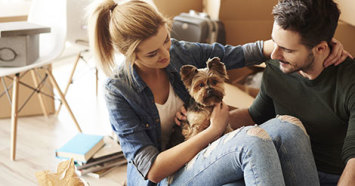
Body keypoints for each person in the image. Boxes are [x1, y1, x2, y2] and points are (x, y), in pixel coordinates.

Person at [87, 0, 347, 185]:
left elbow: (242, 53)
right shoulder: (118, 91)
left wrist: (319, 43)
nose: (166, 54)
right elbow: (153, 170)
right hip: (168, 176)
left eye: (166, 40)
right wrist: (212, 130)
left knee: (289, 127)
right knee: (252, 141)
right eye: (153, 53)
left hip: (207, 153)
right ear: (128, 54)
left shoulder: (178, 52)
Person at [215, 0, 354, 185]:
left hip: (333, 177)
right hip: (283, 163)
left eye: (287, 50)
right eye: (274, 42)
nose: (274, 55)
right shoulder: (277, 67)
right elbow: (255, 115)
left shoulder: (349, 80)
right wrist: (205, 122)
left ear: (320, 48)